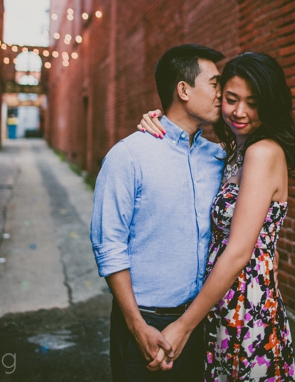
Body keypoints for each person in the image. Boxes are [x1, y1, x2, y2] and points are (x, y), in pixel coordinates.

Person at [140, 52, 295, 381]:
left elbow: (241, 251)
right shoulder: (234, 154)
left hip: (242, 300)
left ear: (269, 104)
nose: (240, 112)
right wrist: (159, 119)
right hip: (226, 296)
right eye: (231, 99)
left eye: (253, 103)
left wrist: (184, 327)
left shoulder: (262, 153)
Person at [90, 44, 226, 381]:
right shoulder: (129, 156)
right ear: (183, 89)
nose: (222, 94)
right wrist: (137, 326)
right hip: (143, 323)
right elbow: (109, 246)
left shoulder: (221, 158)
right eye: (214, 84)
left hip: (202, 321)